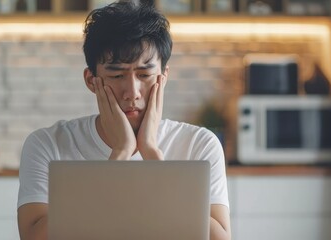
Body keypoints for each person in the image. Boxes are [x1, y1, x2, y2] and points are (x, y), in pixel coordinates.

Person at [17, 1, 230, 240]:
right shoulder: (47, 144)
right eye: (117, 75)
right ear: (91, 80)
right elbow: (34, 237)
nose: (132, 91)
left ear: (164, 77)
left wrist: (151, 153)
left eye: (144, 75)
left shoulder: (199, 144)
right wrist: (120, 153)